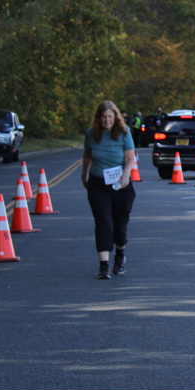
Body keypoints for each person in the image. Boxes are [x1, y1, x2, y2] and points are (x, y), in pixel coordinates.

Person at [82, 100, 136, 280]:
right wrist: (84, 175)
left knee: (119, 225)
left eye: (110, 117)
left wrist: (126, 176)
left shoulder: (124, 132)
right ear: (98, 118)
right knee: (103, 222)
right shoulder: (91, 134)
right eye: (104, 117)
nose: (107, 120)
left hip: (121, 184)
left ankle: (120, 254)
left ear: (115, 117)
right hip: (98, 184)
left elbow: (130, 158)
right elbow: (87, 156)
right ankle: (103, 265)